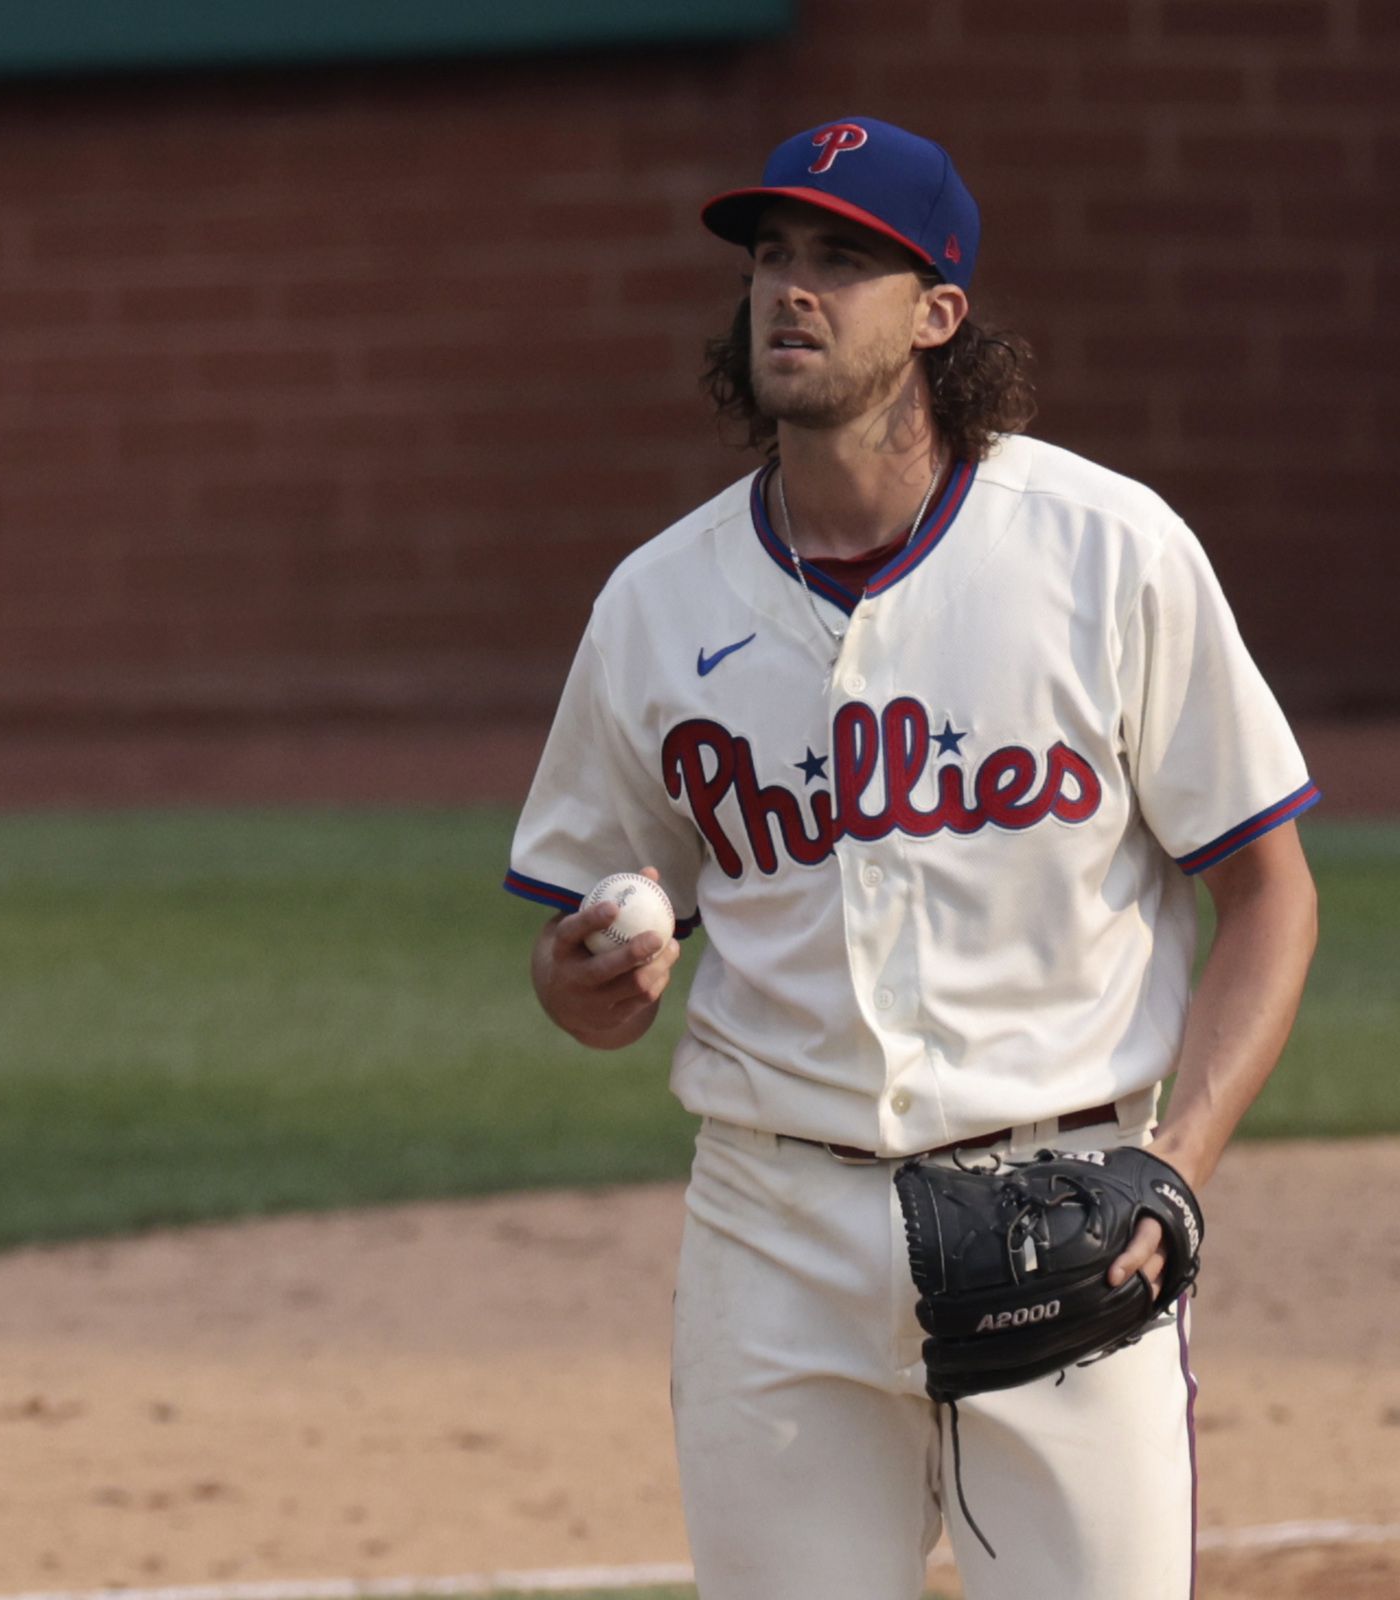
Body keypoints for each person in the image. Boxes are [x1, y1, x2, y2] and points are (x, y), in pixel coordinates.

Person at [502, 115, 1320, 1600]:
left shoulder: (1105, 549)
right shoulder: (654, 603)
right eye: (770, 257)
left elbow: (1268, 890)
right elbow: (581, 956)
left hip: (1069, 1207)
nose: (790, 291)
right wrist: (585, 984)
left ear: (941, 315)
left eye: (842, 261)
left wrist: (1173, 1174)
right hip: (775, 1232)